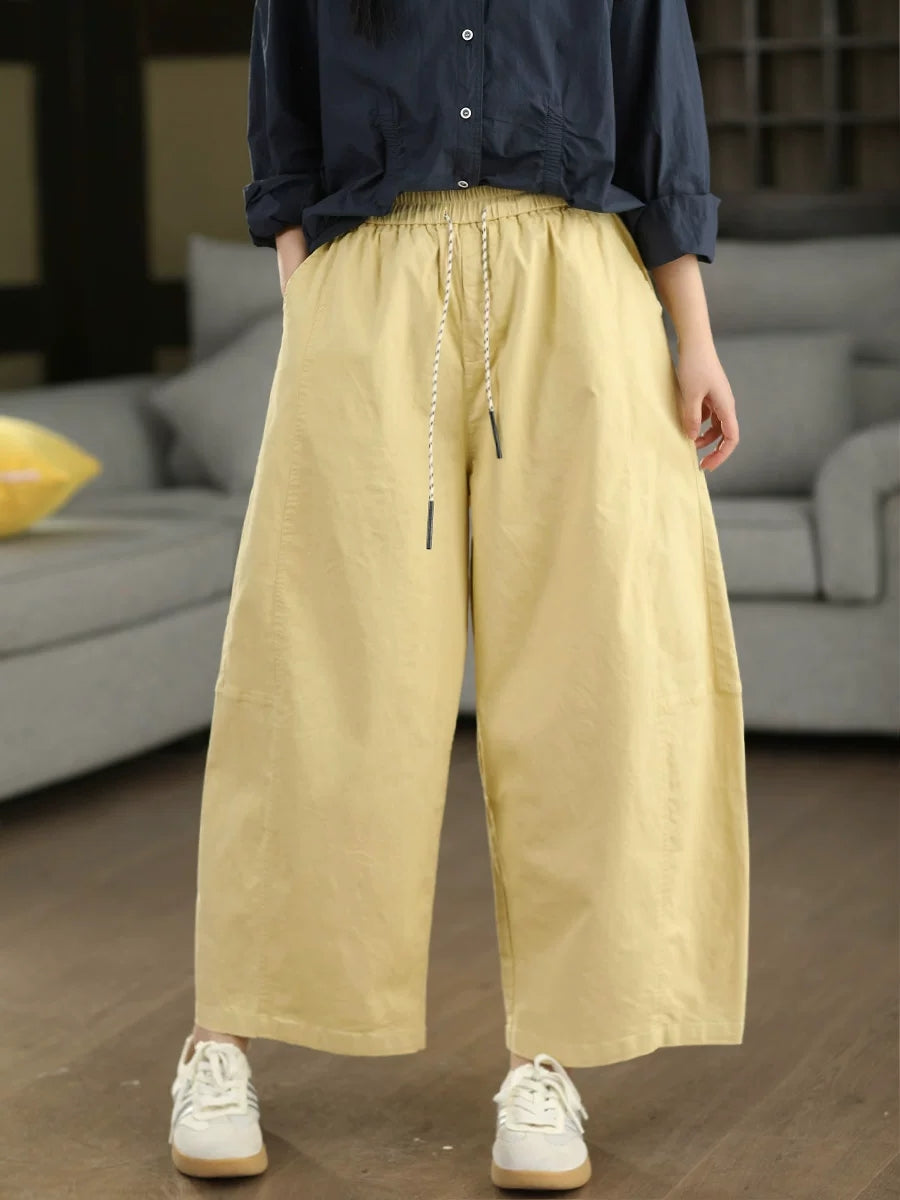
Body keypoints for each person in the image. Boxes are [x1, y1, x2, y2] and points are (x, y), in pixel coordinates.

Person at [167, 0, 751, 1191]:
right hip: (370, 283)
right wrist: (315, 310)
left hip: (578, 280)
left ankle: (549, 1061)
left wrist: (692, 336)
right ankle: (222, 1036)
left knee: (595, 681)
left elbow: (662, 127)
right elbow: (284, 138)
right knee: (319, 672)